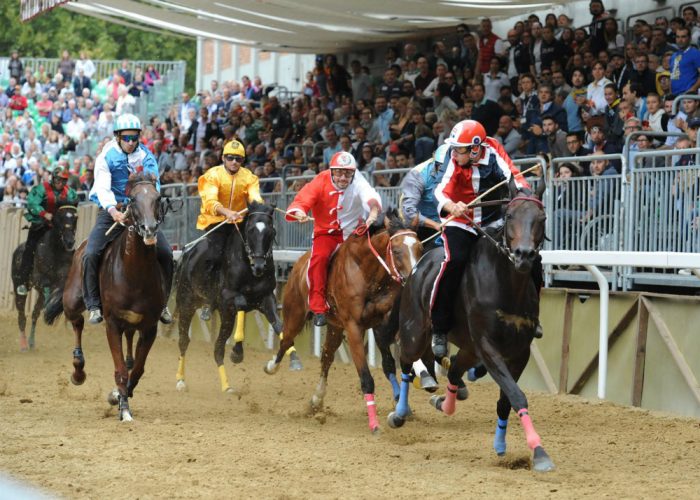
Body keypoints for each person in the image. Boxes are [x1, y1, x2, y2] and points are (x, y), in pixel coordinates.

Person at [430, 120, 531, 358]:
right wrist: (451, 205)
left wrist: (524, 194)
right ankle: (440, 328)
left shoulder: (494, 149)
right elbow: (440, 190)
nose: (455, 153)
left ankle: (530, 316)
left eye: (460, 149)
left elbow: (513, 176)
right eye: (454, 148)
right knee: (455, 260)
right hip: (461, 222)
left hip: (493, 221)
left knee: (528, 258)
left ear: (476, 149)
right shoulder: (452, 160)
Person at [83, 113, 173, 325]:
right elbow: (103, 187)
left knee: (166, 254)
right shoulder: (106, 157)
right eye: (127, 138)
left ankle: (164, 304)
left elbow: (154, 184)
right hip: (113, 212)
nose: (131, 142)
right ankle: (93, 305)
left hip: (140, 212)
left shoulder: (146, 156)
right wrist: (113, 210)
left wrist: (144, 204)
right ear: (117, 137)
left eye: (135, 138)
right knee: (90, 253)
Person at [285, 151, 382, 326]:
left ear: (353, 173)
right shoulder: (320, 180)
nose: (343, 177)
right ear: (331, 171)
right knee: (319, 259)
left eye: (347, 173)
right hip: (326, 233)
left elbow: (370, 195)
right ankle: (318, 307)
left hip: (354, 233)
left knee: (375, 254)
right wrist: (300, 212)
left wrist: (373, 213)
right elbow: (303, 199)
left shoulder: (358, 180)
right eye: (339, 172)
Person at [195, 139, 263, 320]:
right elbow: (210, 201)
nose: (234, 162)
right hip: (215, 222)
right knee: (215, 256)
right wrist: (227, 212)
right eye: (231, 158)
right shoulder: (212, 175)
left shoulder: (249, 177)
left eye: (239, 159)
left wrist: (258, 206)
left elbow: (255, 198)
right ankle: (209, 300)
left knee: (256, 250)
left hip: (238, 222)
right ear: (223, 158)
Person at [16, 167, 78, 296]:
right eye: (59, 180)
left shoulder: (70, 192)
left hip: (59, 226)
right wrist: (44, 214)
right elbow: (32, 203)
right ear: (53, 179)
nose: (61, 183)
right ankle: (23, 281)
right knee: (29, 248)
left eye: (64, 180)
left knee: (69, 244)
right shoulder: (41, 189)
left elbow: (74, 204)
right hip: (41, 224)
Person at [399, 144, 450, 247]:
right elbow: (408, 211)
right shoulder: (418, 175)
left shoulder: (459, 169)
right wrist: (436, 225)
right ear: (434, 160)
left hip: (449, 222)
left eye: (449, 167)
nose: (445, 171)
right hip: (422, 225)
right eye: (441, 167)